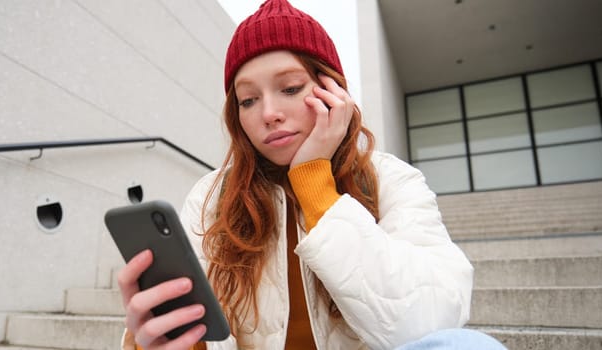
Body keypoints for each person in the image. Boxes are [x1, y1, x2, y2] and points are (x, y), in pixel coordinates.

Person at [117, 0, 506, 349]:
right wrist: (164, 340)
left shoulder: (390, 179)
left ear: (333, 91)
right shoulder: (212, 195)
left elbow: (431, 323)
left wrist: (315, 184)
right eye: (248, 99)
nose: (268, 112)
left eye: (289, 88)